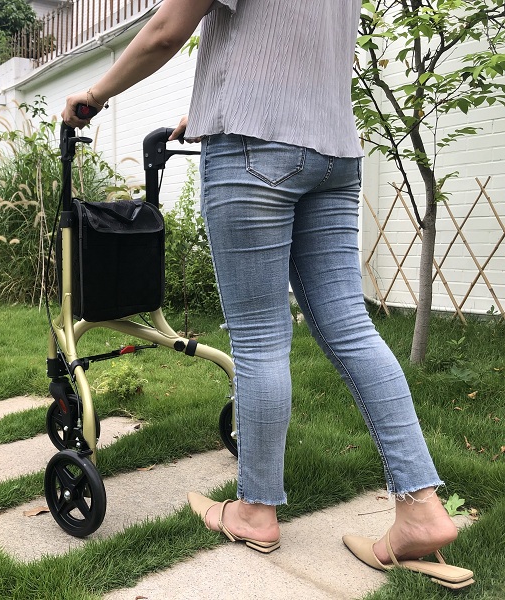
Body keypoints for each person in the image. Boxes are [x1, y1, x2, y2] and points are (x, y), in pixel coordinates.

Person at [61, 0, 473, 590]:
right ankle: (421, 507)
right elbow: (292, 49)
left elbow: (163, 31)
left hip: (254, 150)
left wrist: (94, 96)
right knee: (350, 326)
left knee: (259, 340)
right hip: (334, 153)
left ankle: (256, 510)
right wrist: (205, 109)